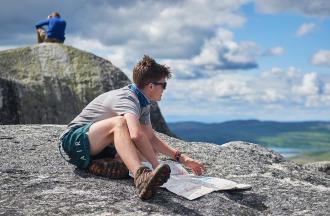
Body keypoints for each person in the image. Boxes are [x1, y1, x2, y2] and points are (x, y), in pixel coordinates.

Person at [58, 55, 205, 200]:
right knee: (120, 123)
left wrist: (182, 158)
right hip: (74, 141)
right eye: (163, 85)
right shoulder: (127, 98)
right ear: (151, 86)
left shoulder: (143, 102)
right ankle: (140, 177)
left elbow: (150, 137)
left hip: (97, 146)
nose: (164, 90)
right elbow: (136, 135)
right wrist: (156, 168)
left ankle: (99, 164)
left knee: (149, 151)